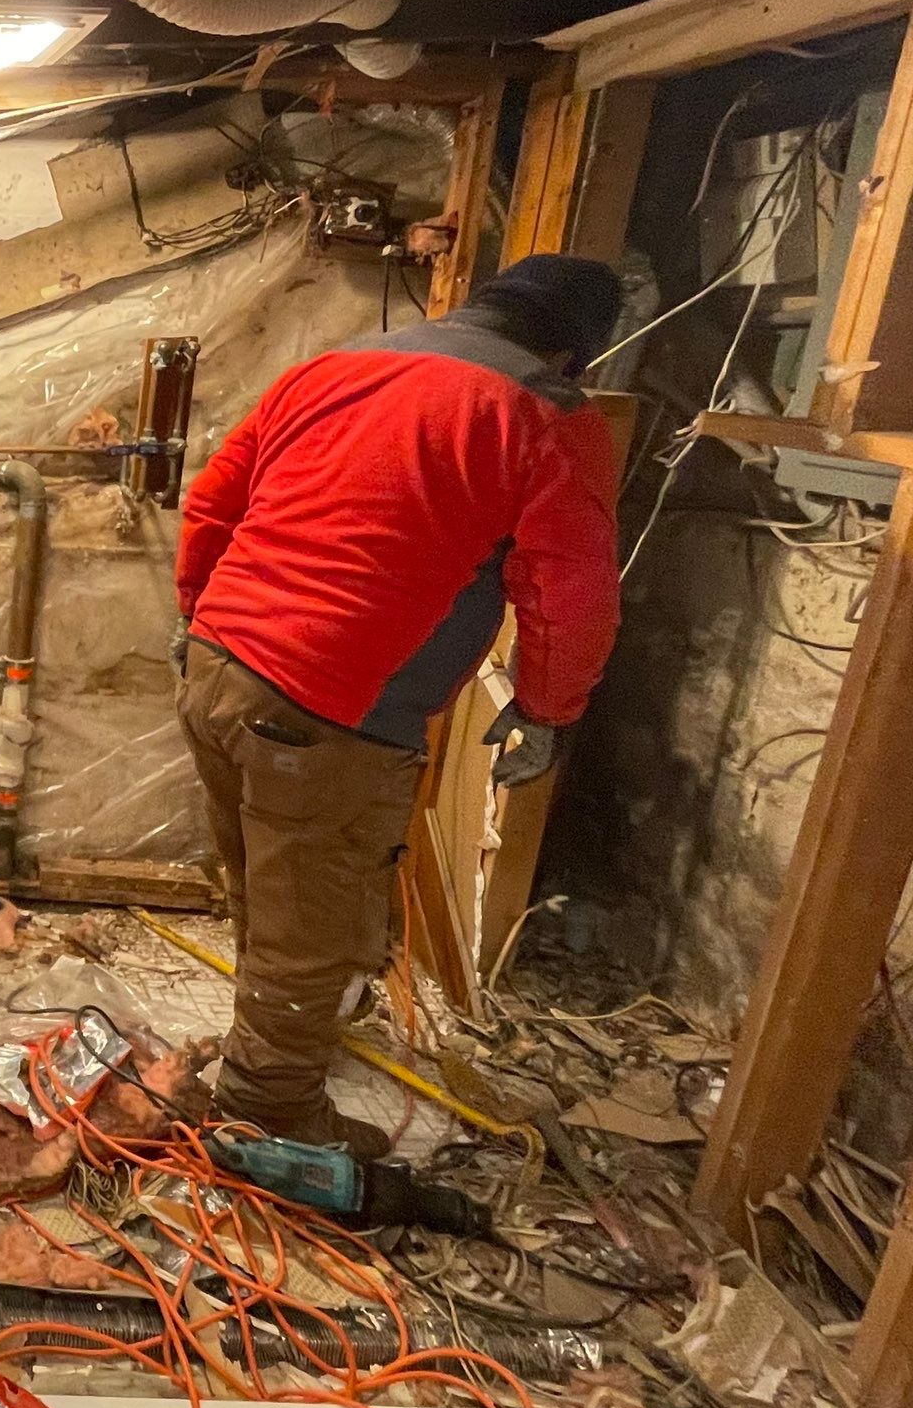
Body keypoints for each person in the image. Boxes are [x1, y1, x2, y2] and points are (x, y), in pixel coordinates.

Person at [172, 252, 627, 1157]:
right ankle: (268, 1112)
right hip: (330, 708)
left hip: (218, 667)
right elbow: (570, 590)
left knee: (264, 883)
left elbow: (214, 502)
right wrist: (547, 710)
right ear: (575, 354)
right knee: (317, 917)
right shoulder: (545, 415)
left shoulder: (332, 368)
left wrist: (198, 618)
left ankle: (267, 1045)